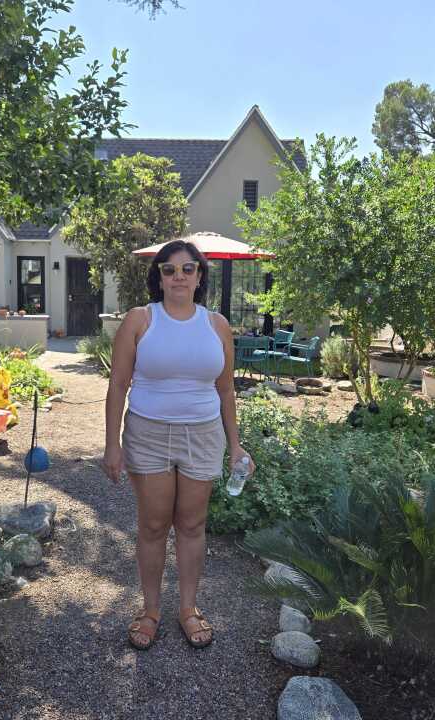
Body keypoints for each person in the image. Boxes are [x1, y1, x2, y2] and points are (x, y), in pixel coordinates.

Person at [101, 239, 254, 650]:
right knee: (153, 525)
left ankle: (188, 608)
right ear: (160, 277)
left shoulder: (217, 325)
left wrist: (235, 446)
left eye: (188, 269)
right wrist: (111, 445)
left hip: (203, 435)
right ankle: (150, 609)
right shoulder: (140, 320)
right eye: (169, 270)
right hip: (148, 432)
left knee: (191, 525)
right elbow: (118, 384)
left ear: (200, 276)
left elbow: (226, 391)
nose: (179, 276)